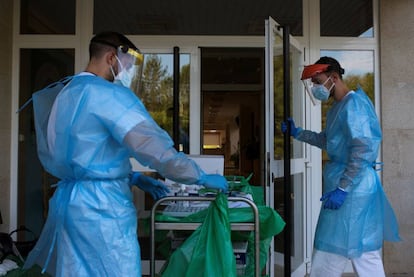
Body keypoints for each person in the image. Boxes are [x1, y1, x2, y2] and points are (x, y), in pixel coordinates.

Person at [23, 31, 228, 277]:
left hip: (70, 205)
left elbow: (79, 155)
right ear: (111, 57)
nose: (124, 75)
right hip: (103, 211)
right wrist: (200, 177)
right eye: (125, 67)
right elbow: (154, 149)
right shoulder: (108, 95)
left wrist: (133, 177)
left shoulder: (65, 93)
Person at [282, 57, 400, 276]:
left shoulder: (354, 104)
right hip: (348, 187)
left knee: (336, 249)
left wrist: (344, 187)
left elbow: (363, 148)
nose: (316, 88)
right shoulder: (339, 107)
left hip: (353, 189)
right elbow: (329, 141)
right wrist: (298, 133)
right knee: (360, 250)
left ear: (334, 77)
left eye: (318, 81)